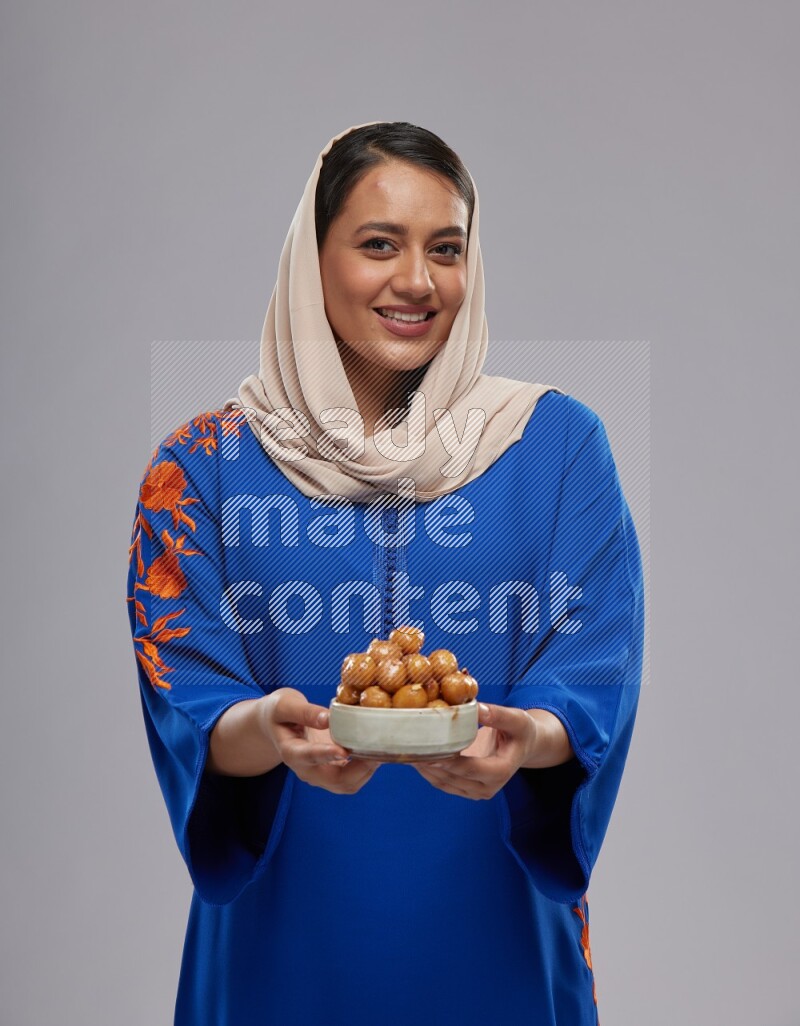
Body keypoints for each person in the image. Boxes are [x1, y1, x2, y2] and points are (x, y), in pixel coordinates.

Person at [126, 120, 644, 1026]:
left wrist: (530, 736)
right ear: (310, 258)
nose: (417, 281)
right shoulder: (201, 466)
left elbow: (595, 663)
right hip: (279, 945)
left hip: (500, 941)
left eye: (446, 249)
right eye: (378, 245)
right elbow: (188, 697)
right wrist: (271, 729)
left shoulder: (557, 446)